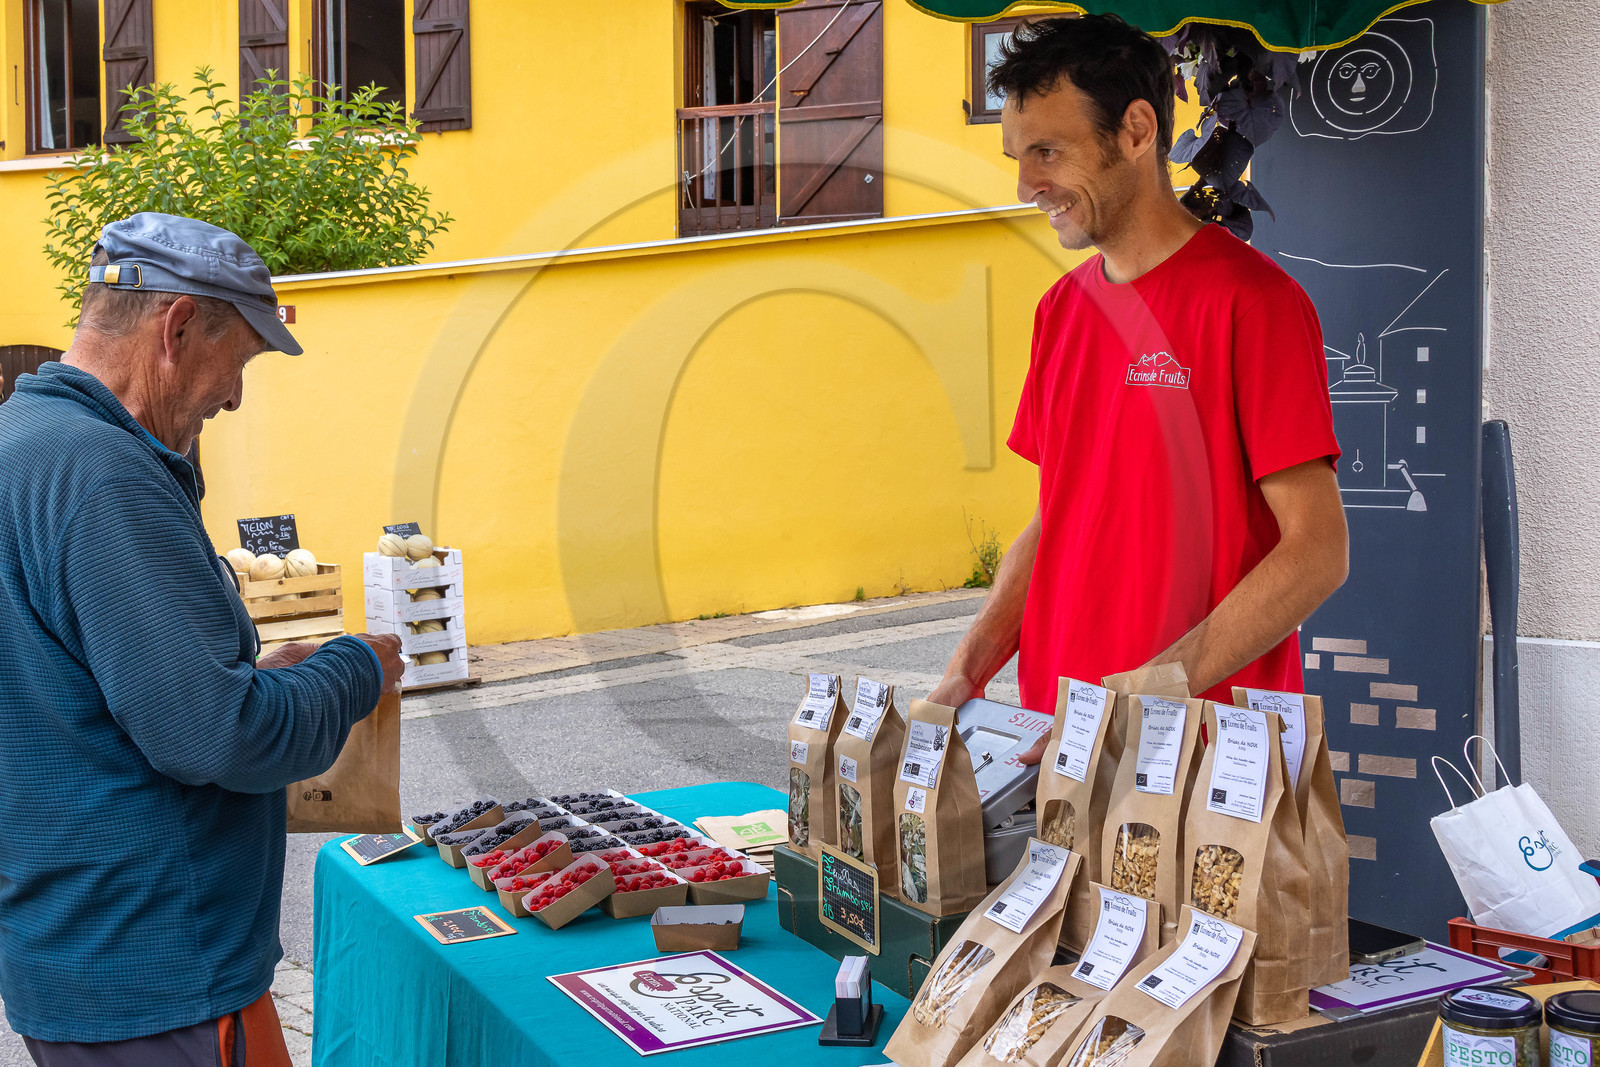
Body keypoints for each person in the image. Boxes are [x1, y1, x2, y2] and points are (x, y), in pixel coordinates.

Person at [0, 212, 404, 1065]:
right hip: (161, 978)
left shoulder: (22, 444)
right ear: (177, 326)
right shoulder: (102, 474)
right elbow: (217, 734)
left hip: (77, 960)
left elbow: (85, 691)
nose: (234, 397)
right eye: (240, 363)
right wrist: (351, 669)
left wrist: (248, 676)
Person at [928, 16, 1348, 752]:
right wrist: (965, 671)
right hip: (1059, 748)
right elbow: (1060, 519)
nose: (1028, 184)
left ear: (1135, 131)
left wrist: (1147, 695)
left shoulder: (1253, 304)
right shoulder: (1060, 313)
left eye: (1048, 152)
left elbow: (1317, 550)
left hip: (1199, 762)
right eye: (1018, 156)